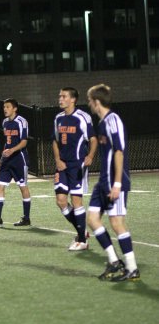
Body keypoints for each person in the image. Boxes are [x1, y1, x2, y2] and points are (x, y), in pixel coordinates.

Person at [86, 84, 140, 281]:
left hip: (116, 182)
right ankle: (114, 261)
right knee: (92, 219)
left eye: (90, 100)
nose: (89, 103)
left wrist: (117, 184)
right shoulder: (101, 123)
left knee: (117, 223)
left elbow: (119, 151)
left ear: (97, 101)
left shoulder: (113, 120)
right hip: (103, 182)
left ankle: (132, 268)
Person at [53, 87, 97, 251]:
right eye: (59, 96)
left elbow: (93, 139)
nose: (60, 98)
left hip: (77, 165)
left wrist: (90, 156)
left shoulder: (83, 117)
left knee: (76, 201)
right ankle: (82, 232)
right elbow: (55, 141)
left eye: (63, 96)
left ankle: (82, 241)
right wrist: (57, 160)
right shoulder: (58, 118)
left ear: (73, 99)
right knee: (61, 201)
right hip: (62, 165)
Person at [0, 98, 32, 227]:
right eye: (4, 107)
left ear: (15, 108)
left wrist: (12, 151)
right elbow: (7, 141)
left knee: (23, 187)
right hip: (7, 160)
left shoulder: (21, 121)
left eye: (7, 107)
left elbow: (24, 142)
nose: (5, 109)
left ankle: (26, 218)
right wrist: (2, 158)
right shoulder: (5, 122)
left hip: (19, 159)